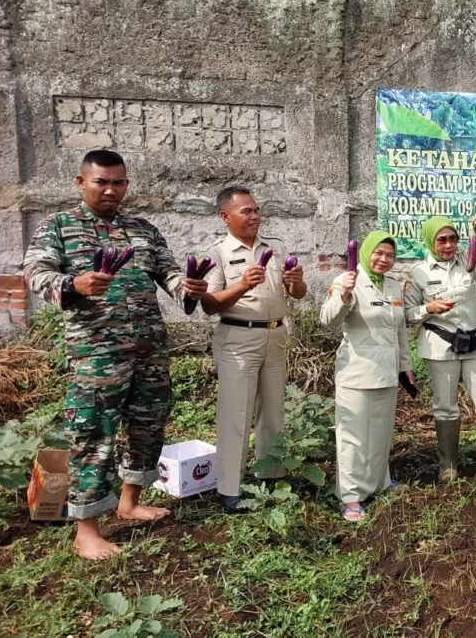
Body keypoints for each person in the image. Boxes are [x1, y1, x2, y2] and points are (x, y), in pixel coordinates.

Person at [22, 149, 209, 559]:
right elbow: (36, 273)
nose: (111, 190)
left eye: (118, 182)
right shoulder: (59, 227)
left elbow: (167, 271)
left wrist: (186, 287)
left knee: (147, 423)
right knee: (93, 434)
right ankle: (86, 529)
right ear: (81, 182)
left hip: (148, 349)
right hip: (97, 353)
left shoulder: (142, 229)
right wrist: (75, 284)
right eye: (101, 182)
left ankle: (129, 501)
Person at [200, 187, 307, 511]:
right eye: (246, 211)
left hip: (275, 336)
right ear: (225, 217)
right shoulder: (216, 254)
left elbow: (298, 294)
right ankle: (229, 487)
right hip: (238, 338)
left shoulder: (276, 248)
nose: (255, 216)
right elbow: (209, 304)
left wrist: (297, 281)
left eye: (257, 210)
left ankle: (269, 475)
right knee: (236, 412)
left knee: (273, 410)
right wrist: (242, 285)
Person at [404, 215, 476, 482]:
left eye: (453, 239)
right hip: (441, 347)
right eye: (442, 240)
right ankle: (448, 465)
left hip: (473, 345)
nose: (449, 245)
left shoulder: (468, 261)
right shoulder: (419, 273)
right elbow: (406, 314)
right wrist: (428, 308)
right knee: (445, 407)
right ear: (430, 241)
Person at [320, 230, 413, 521]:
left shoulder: (394, 286)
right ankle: (350, 496)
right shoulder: (348, 280)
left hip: (386, 370)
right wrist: (344, 296)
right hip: (357, 371)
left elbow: (400, 331)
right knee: (353, 436)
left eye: (389, 255)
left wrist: (406, 367)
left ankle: (379, 484)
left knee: (381, 434)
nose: (384, 259)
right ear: (366, 253)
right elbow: (327, 320)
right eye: (378, 253)